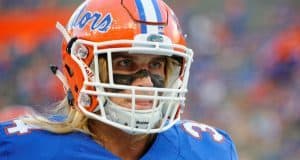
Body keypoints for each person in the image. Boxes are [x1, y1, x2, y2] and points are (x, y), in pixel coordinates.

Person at [0, 0, 238, 159]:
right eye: (125, 63)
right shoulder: (19, 149)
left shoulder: (209, 150)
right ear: (82, 68)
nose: (145, 83)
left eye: (156, 64)